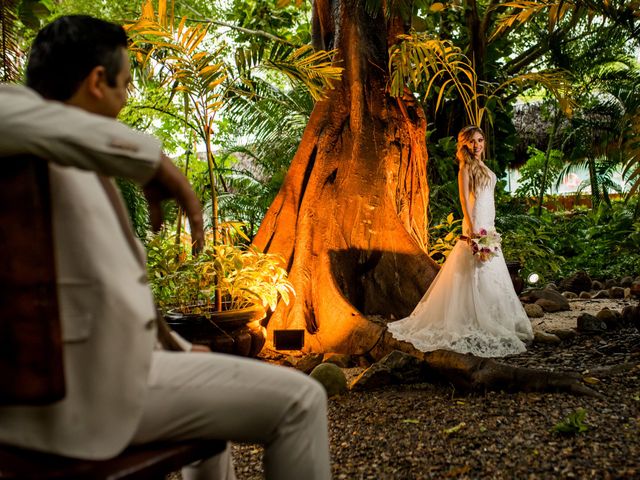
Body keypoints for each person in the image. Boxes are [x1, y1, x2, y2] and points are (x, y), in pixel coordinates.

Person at [0, 15, 331, 480]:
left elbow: (112, 292)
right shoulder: (17, 123)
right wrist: (152, 159)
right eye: (125, 85)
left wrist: (176, 347)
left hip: (108, 375)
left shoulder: (77, 155)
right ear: (97, 81)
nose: (127, 99)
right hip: (79, 400)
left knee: (213, 437)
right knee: (303, 400)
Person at [388, 125, 533, 357]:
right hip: (476, 224)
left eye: (480, 140)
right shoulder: (465, 168)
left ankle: (495, 317)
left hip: (489, 223)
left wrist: (489, 228)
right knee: (475, 270)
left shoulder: (482, 166)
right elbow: (465, 201)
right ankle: (473, 317)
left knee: (491, 271)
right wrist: (474, 230)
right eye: (472, 142)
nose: (477, 145)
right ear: (464, 145)